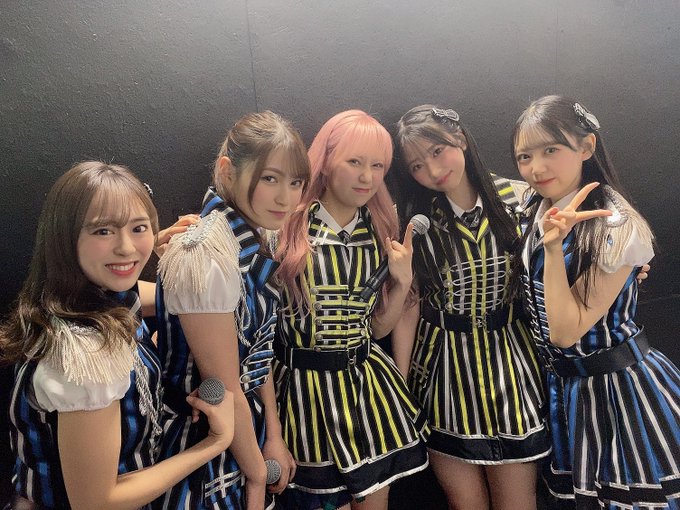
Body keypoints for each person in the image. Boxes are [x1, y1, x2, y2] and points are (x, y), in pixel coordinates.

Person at [0, 161, 234, 510]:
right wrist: (214, 443)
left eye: (138, 227)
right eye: (103, 231)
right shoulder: (86, 352)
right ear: (64, 238)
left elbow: (159, 296)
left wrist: (158, 253)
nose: (126, 247)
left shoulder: (85, 295)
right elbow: (97, 501)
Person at [512, 95, 680, 509]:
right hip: (564, 391)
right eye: (524, 156)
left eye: (551, 150)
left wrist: (554, 250)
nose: (537, 168)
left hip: (619, 390)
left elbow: (565, 332)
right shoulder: (531, 202)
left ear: (586, 147)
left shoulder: (617, 225)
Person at [390, 105, 551, 510]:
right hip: (443, 372)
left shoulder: (523, 199)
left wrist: (627, 267)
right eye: (417, 166)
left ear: (460, 139)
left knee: (517, 502)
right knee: (465, 504)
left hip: (513, 367)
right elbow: (410, 307)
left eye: (437, 151)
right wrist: (401, 389)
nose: (432, 170)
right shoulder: (416, 222)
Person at [273, 110, 429, 510]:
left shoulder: (382, 229)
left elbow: (377, 330)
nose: (367, 177)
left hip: (366, 393)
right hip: (302, 396)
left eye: (378, 166)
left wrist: (403, 282)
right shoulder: (286, 227)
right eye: (355, 162)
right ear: (326, 161)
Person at [154, 111, 309, 510]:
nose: (286, 198)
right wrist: (256, 475)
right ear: (227, 171)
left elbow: (257, 354)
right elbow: (223, 387)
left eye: (295, 182)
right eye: (270, 179)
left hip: (245, 431)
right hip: (200, 441)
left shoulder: (257, 236)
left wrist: (273, 434)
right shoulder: (207, 251)